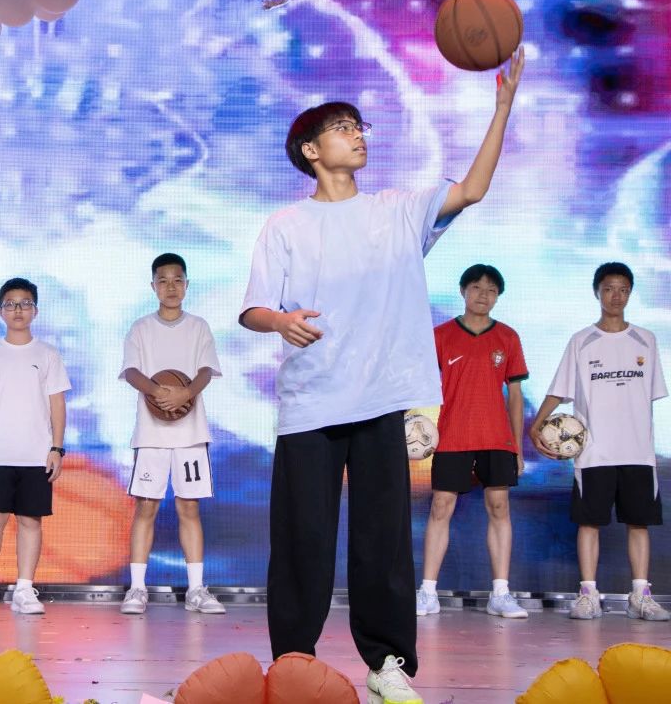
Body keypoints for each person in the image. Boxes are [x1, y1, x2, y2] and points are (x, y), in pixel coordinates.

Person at [237, 49, 524, 704]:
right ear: (311, 150)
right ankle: (293, 661)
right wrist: (279, 320)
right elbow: (254, 308)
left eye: (360, 126)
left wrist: (503, 106)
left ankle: (388, 663)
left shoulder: (398, 210)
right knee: (303, 539)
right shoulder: (285, 225)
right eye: (343, 128)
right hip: (311, 403)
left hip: (381, 401)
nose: (358, 135)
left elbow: (472, 189)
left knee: (383, 541)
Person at [529, 262, 668, 623]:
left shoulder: (646, 340)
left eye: (623, 289)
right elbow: (559, 389)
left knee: (638, 524)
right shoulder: (582, 341)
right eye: (609, 288)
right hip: (593, 452)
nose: (616, 296)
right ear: (597, 293)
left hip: (637, 451)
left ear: (630, 293)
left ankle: (640, 596)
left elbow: (650, 396)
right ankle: (588, 594)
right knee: (588, 523)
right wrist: (537, 424)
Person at [416, 264, 529, 619]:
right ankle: (427, 592)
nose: (484, 295)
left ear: (498, 297)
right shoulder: (440, 335)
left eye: (492, 290)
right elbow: (417, 383)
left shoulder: (507, 337)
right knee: (440, 508)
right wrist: (415, 429)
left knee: (499, 508)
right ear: (463, 291)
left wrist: (517, 447)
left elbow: (515, 397)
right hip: (453, 435)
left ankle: (501, 594)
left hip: (496, 438)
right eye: (477, 287)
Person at [119, 253, 224, 615]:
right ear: (153, 286)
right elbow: (131, 371)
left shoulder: (198, 327)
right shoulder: (140, 328)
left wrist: (186, 393)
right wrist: (157, 391)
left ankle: (196, 590)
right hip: (151, 434)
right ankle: (136, 589)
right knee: (146, 506)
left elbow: (206, 370)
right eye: (163, 281)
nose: (171, 287)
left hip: (190, 434)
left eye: (177, 280)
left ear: (186, 285)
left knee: (188, 507)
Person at [0, 277, 70, 615]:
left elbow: (57, 404)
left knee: (30, 522)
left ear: (35, 310)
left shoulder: (48, 354)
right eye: (10, 304)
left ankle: (24, 589)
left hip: (36, 455)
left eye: (25, 303)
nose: (18, 310)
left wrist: (57, 448)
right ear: (1, 312)